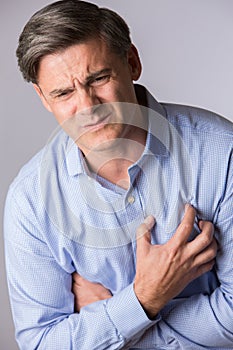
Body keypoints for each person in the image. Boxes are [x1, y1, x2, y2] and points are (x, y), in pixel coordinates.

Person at [4, 0, 233, 349]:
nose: (89, 108)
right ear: (42, 98)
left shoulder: (222, 152)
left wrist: (116, 323)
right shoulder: (30, 200)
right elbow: (40, 343)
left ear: (132, 62)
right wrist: (144, 299)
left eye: (99, 78)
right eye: (64, 93)